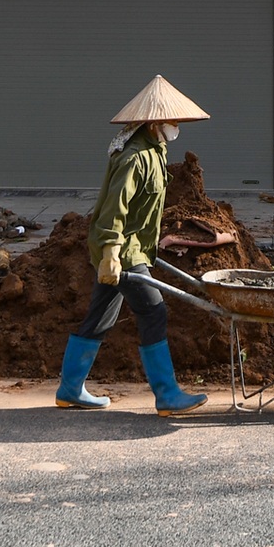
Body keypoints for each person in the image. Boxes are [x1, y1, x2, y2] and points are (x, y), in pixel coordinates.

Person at [57, 75, 212, 416]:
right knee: (153, 311)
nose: (176, 127)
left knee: (101, 314)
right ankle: (167, 394)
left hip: (132, 247)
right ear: (157, 121)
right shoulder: (135, 157)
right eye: (173, 121)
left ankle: (70, 389)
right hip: (122, 251)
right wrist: (112, 253)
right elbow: (116, 207)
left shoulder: (155, 151)